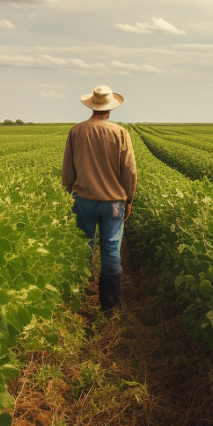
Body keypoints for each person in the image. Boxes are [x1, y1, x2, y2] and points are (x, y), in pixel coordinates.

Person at [62, 85, 137, 312]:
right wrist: (129, 199)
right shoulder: (120, 132)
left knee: (85, 248)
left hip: (83, 200)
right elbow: (129, 170)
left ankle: (81, 298)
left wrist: (67, 193)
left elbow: (68, 168)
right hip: (113, 203)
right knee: (111, 251)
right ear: (110, 108)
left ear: (92, 106)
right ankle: (109, 304)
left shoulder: (76, 131)